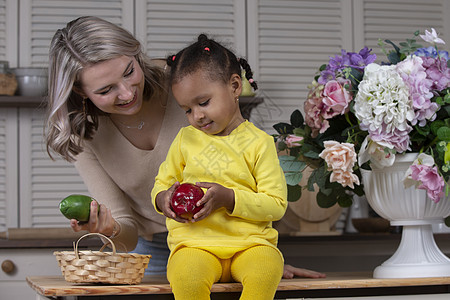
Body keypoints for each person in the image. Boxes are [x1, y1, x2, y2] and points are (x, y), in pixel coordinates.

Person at [44, 15, 326, 280]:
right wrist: (110, 229)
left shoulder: (182, 81)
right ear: (80, 91)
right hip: (152, 255)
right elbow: (126, 232)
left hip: (232, 239)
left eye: (130, 72)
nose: (128, 93)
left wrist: (256, 257)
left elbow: (247, 172)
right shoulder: (83, 134)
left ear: (135, 54)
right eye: (106, 90)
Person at [151, 33, 289, 300]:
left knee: (267, 269)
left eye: (203, 103)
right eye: (187, 110)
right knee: (186, 277)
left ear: (235, 86)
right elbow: (161, 184)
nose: (197, 116)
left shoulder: (260, 143)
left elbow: (276, 204)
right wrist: (163, 199)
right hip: (195, 246)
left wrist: (229, 198)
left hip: (250, 246)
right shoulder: (184, 140)